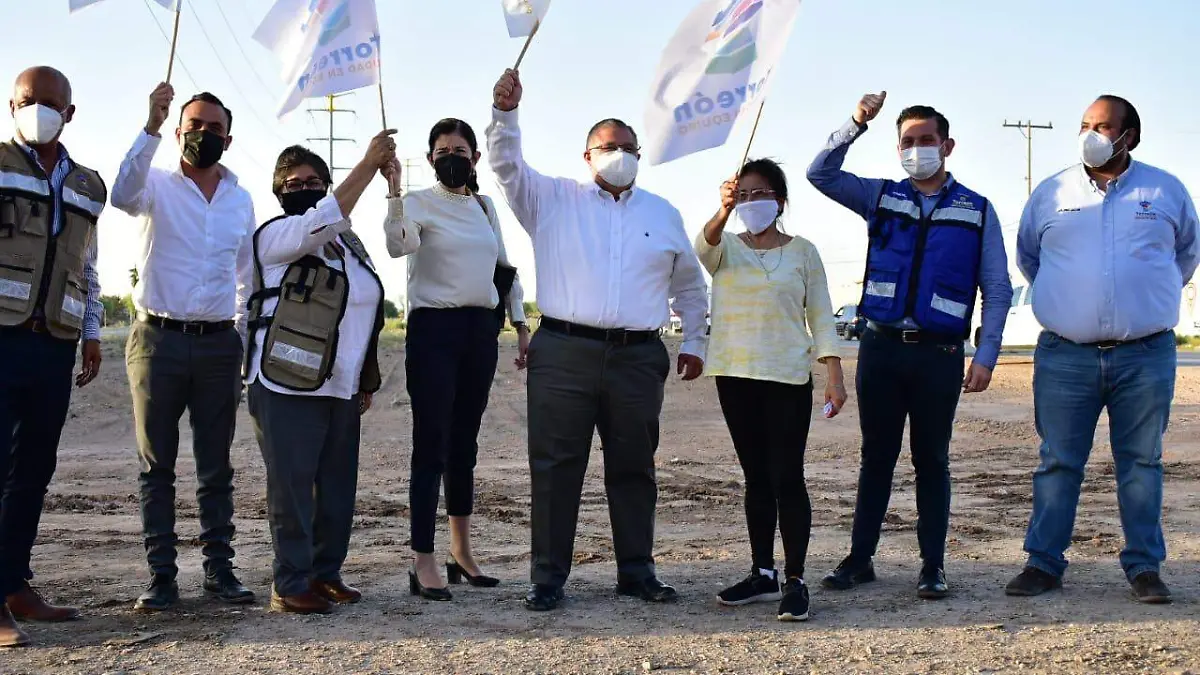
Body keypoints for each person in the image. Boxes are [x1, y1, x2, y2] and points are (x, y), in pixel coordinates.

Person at [488, 68, 709, 612]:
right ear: (587, 156)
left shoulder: (663, 213)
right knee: (555, 466)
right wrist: (505, 115)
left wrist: (695, 341)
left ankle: (637, 571)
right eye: (609, 147)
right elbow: (506, 165)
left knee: (635, 466)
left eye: (629, 148)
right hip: (563, 351)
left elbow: (689, 285)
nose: (620, 155)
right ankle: (547, 578)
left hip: (638, 356)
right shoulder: (550, 199)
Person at [807, 91, 1012, 599]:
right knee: (876, 457)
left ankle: (932, 566)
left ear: (947, 146)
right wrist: (856, 123)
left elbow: (997, 288)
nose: (917, 149)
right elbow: (820, 174)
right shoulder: (880, 196)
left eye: (926, 140)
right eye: (907, 141)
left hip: (939, 355)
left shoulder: (977, 210)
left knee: (932, 460)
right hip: (881, 349)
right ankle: (860, 560)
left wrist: (986, 356)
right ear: (897, 148)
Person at [1006, 95, 1199, 604]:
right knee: (1058, 461)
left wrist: (1144, 298)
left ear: (1129, 136)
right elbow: (1030, 257)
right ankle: (1043, 563)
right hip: (1065, 355)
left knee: (1141, 462)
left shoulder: (1166, 190)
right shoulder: (1052, 192)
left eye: (1103, 126)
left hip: (1145, 354)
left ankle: (1145, 567)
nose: (1091, 134)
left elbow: (1185, 255)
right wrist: (1072, 300)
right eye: (1085, 124)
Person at [111, 83, 256, 612]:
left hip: (218, 345)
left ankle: (220, 570)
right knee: (157, 466)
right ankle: (162, 576)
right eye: (194, 126)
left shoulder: (240, 199)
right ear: (178, 132)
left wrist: (238, 334)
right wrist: (149, 126)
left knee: (216, 466)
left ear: (228, 140)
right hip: (157, 341)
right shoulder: (154, 185)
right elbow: (120, 195)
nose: (204, 134)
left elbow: (246, 275)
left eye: (214, 128)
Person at [244, 136, 394, 614]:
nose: (304, 189)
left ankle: (325, 573)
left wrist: (363, 378)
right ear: (278, 192)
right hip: (285, 382)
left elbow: (364, 305)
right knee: (292, 486)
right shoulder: (278, 236)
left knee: (336, 487)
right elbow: (322, 218)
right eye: (293, 184)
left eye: (313, 181)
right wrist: (368, 166)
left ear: (326, 185)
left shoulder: (347, 244)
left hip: (340, 385)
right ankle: (290, 582)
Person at [695, 158, 847, 622]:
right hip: (735, 375)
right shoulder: (726, 247)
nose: (751, 202)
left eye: (759, 194)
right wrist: (723, 211)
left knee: (787, 477)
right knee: (756, 476)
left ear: (779, 201)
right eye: (742, 195)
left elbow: (820, 315)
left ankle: (796, 579)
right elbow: (703, 247)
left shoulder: (803, 252)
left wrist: (834, 374)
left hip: (787, 377)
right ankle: (763, 572)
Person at [384, 118, 528, 600]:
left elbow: (504, 267)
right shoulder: (418, 202)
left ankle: (461, 552)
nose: (452, 158)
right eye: (443, 151)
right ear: (430, 159)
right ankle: (422, 560)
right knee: (431, 443)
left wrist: (520, 323)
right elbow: (398, 244)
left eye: (460, 151)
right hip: (434, 331)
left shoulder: (485, 207)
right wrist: (393, 192)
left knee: (464, 443)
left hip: (479, 331)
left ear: (474, 158)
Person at [0, 66, 106, 648]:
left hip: (54, 343)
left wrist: (91, 333)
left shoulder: (87, 185)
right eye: (27, 100)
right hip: (2, 336)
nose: (37, 109)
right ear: (11, 106)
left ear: (69, 112)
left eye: (49, 102)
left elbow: (87, 266)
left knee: (33, 471)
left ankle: (14, 583)